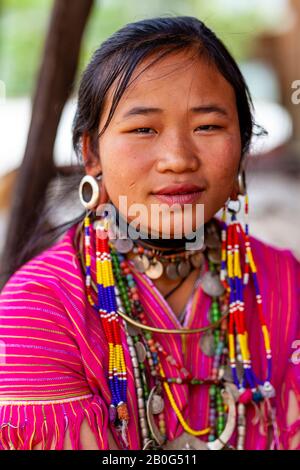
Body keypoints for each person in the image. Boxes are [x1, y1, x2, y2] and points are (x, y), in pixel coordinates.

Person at [0, 16, 299, 450]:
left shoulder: (284, 283)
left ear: (243, 146)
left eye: (208, 126)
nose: (178, 158)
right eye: (143, 129)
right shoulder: (39, 307)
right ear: (91, 152)